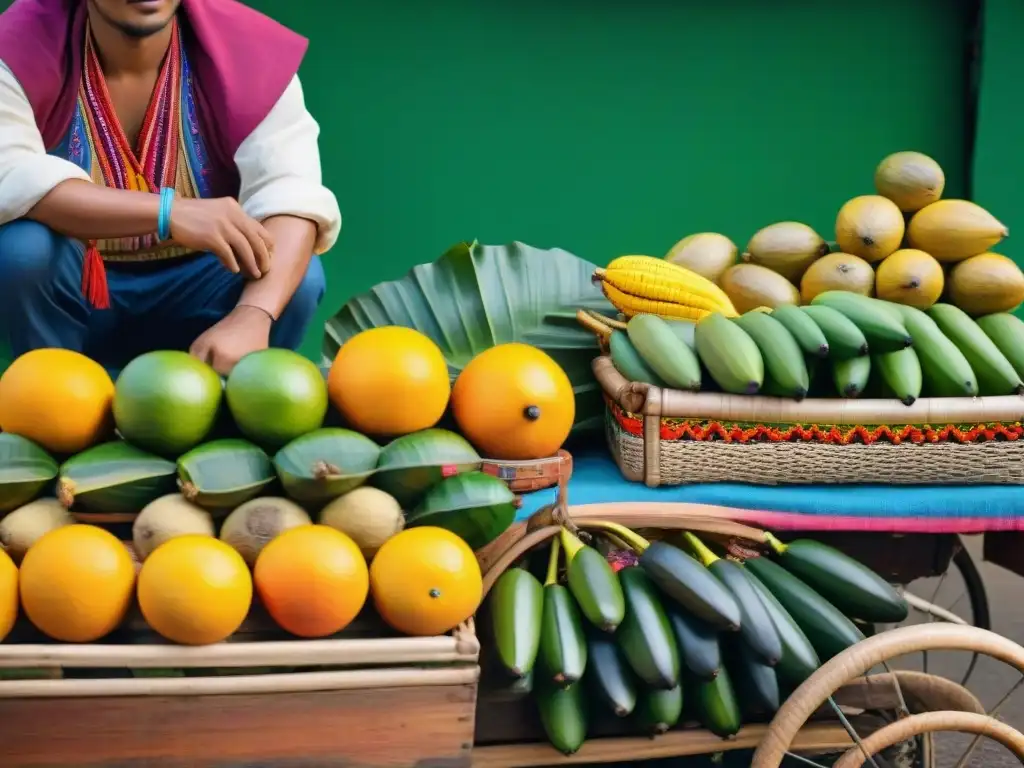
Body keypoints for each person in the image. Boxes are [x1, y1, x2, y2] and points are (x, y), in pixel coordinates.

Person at [0, 0, 341, 375]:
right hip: (75, 287)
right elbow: (10, 174)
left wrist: (252, 314)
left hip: (204, 291)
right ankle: (52, 400)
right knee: (24, 250)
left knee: (294, 269)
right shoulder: (15, 47)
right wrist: (168, 212)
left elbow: (293, 194)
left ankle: (240, 402)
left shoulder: (249, 50)